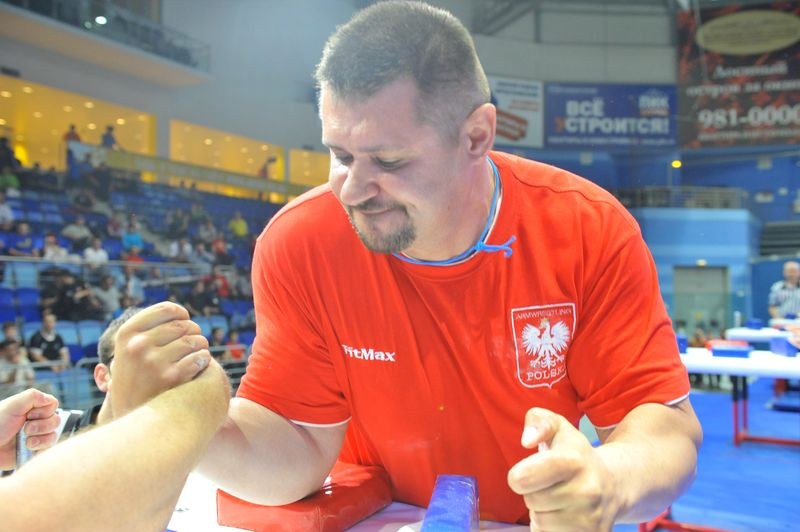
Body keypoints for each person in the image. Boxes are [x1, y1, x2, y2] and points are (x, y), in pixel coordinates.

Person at [194, 2, 702, 529]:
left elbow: (662, 425)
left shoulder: (587, 228)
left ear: (477, 136)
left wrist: (608, 479)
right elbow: (295, 445)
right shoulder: (300, 241)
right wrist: (182, 426)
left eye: (388, 161)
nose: (351, 188)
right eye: (340, 155)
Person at [0, 302, 230, 531]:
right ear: (102, 376)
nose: (161, 370)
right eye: (137, 358)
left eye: (177, 359)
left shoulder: (205, 458)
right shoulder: (41, 432)